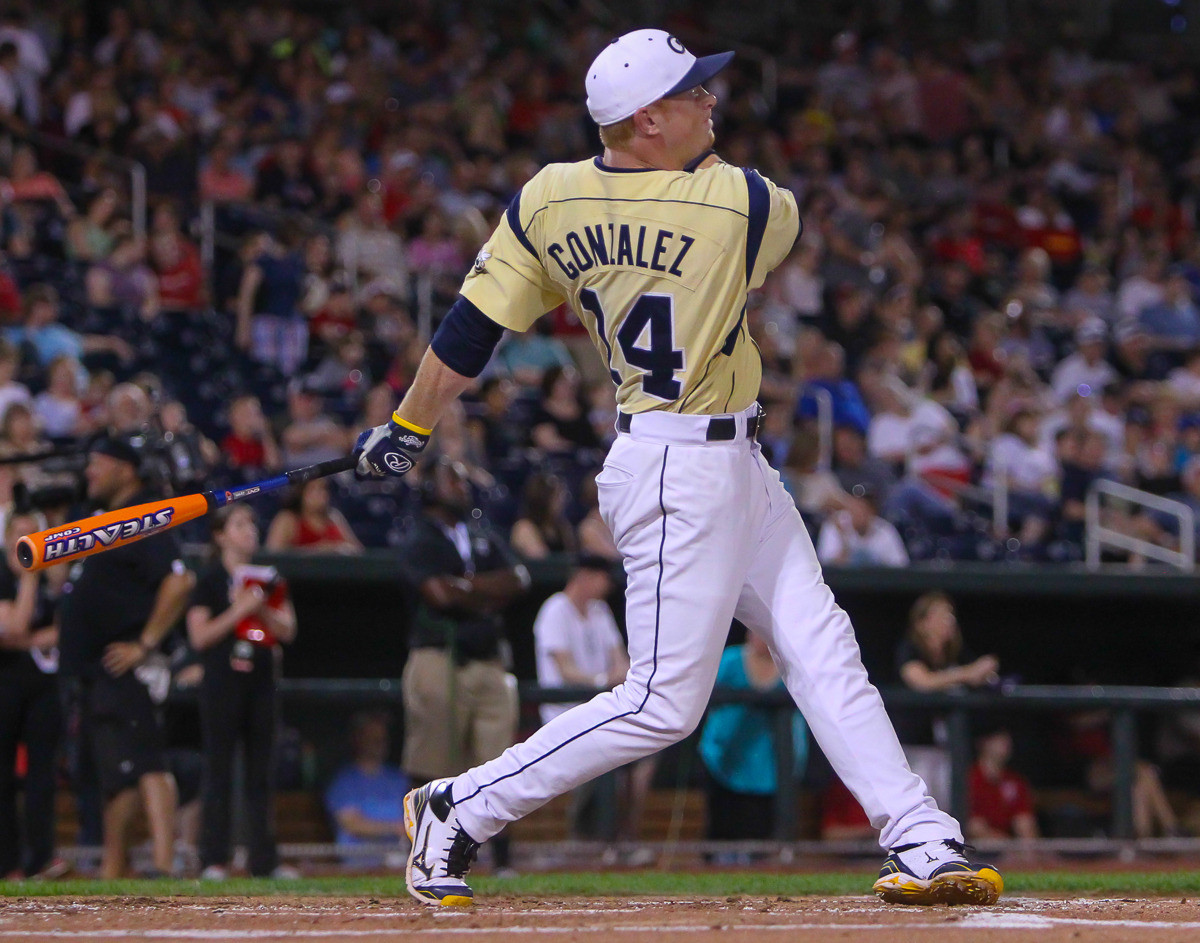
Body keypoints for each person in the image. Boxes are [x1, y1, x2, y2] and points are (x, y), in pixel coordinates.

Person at [353, 29, 1002, 908]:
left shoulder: (549, 198)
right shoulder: (745, 202)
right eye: (692, 94)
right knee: (662, 701)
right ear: (648, 118)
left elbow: (470, 331)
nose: (712, 103)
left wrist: (407, 425)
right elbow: (758, 226)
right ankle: (457, 804)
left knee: (821, 644)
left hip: (721, 458)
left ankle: (922, 836)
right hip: (675, 465)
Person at [57, 436, 194, 878]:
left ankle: (162, 863)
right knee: (118, 773)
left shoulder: (143, 516)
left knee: (149, 763)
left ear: (126, 469)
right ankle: (114, 868)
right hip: (100, 670)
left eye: (99, 463)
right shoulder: (99, 519)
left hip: (128, 663)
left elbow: (179, 581)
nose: (90, 472)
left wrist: (146, 644)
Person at [396, 458, 529, 874]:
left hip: (489, 658)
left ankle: (503, 861)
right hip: (440, 657)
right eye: (452, 477)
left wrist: (465, 587)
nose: (462, 483)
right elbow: (439, 595)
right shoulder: (420, 536)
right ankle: (422, 853)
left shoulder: (480, 532)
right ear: (429, 487)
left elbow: (519, 579)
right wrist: (485, 591)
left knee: (500, 765)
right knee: (432, 760)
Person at [186, 504, 297, 879]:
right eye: (239, 524)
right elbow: (200, 636)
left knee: (261, 771)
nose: (249, 530)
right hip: (222, 678)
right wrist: (240, 610)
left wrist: (261, 609)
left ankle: (263, 860)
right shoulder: (210, 579)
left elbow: (288, 629)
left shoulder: (269, 578)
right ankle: (212, 858)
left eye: (251, 523)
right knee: (218, 768)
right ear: (220, 536)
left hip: (262, 678)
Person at [534, 555, 652, 851]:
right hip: (562, 713)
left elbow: (621, 659)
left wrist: (618, 675)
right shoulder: (555, 609)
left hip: (601, 710)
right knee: (601, 752)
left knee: (646, 754)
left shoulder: (599, 611)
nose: (608, 585)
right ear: (584, 575)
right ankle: (583, 840)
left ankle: (625, 838)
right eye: (602, 577)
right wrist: (603, 679)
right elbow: (565, 669)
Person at [698, 633, 808, 850]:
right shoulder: (729, 660)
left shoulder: (791, 665)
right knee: (722, 826)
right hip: (725, 758)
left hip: (769, 763)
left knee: (761, 830)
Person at [0, 511, 62, 879]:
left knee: (43, 774)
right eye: (20, 534)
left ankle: (42, 858)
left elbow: (68, 626)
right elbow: (14, 625)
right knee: (2, 776)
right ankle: (7, 864)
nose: (27, 540)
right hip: (5, 680)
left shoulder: (53, 579)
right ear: (7, 537)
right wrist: (28, 578)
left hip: (41, 683)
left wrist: (25, 640)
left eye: (34, 534)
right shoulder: (7, 576)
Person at [895, 592, 1000, 811]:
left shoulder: (955, 653)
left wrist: (984, 669)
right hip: (914, 749)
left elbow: (980, 672)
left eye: (950, 615)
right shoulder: (910, 648)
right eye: (941, 615)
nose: (948, 621)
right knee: (916, 808)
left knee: (950, 809)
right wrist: (967, 673)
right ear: (922, 623)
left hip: (946, 748)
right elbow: (920, 681)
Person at [325, 711, 410, 869]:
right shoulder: (344, 782)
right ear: (358, 739)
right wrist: (393, 828)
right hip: (359, 861)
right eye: (372, 737)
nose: (378, 742)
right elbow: (352, 824)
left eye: (382, 738)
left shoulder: (399, 779)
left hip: (400, 860)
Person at [967, 727, 1039, 841]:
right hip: (976, 850)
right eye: (997, 737)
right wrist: (1009, 849)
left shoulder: (1015, 781)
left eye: (1006, 737)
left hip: (1011, 851)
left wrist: (1028, 851)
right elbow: (973, 827)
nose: (1005, 741)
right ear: (982, 742)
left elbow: (1025, 824)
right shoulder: (968, 779)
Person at [265, 478, 362, 553]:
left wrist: (341, 548)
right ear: (301, 493)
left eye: (323, 488)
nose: (320, 494)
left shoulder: (334, 517)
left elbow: (359, 551)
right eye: (313, 489)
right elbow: (273, 553)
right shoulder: (287, 518)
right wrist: (315, 551)